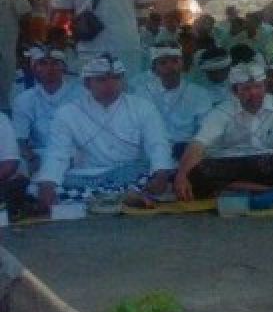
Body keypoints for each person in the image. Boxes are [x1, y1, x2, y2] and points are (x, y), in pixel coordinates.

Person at [173, 62, 273, 201]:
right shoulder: (221, 112)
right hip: (233, 164)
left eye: (258, 87)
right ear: (234, 91)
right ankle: (271, 190)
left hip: (270, 162)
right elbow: (198, 145)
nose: (254, 93)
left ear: (265, 87)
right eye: (246, 88)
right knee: (197, 172)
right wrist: (181, 176)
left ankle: (250, 190)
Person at [33, 54, 174, 209]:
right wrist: (48, 184)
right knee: (38, 188)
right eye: (102, 80)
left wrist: (161, 175)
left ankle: (105, 198)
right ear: (87, 83)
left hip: (132, 174)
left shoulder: (142, 107)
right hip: (89, 176)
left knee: (165, 180)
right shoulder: (68, 112)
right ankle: (121, 197)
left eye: (116, 78)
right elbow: (57, 153)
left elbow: (158, 144)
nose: (110, 85)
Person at [133, 45, 214, 158]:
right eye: (163, 63)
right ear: (154, 69)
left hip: (187, 151)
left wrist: (192, 147)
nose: (170, 66)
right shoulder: (142, 93)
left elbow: (206, 127)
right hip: (151, 152)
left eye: (175, 61)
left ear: (182, 65)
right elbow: (137, 128)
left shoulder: (199, 93)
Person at [12, 46, 85, 173]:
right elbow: (20, 138)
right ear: (34, 69)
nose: (49, 68)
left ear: (64, 68)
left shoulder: (81, 94)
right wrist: (31, 158)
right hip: (40, 154)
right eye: (42, 63)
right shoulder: (24, 99)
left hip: (75, 153)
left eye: (55, 63)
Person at [0, 0, 31, 110]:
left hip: (6, 41)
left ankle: (5, 105)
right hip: (7, 42)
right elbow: (25, 13)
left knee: (7, 70)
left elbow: (25, 12)